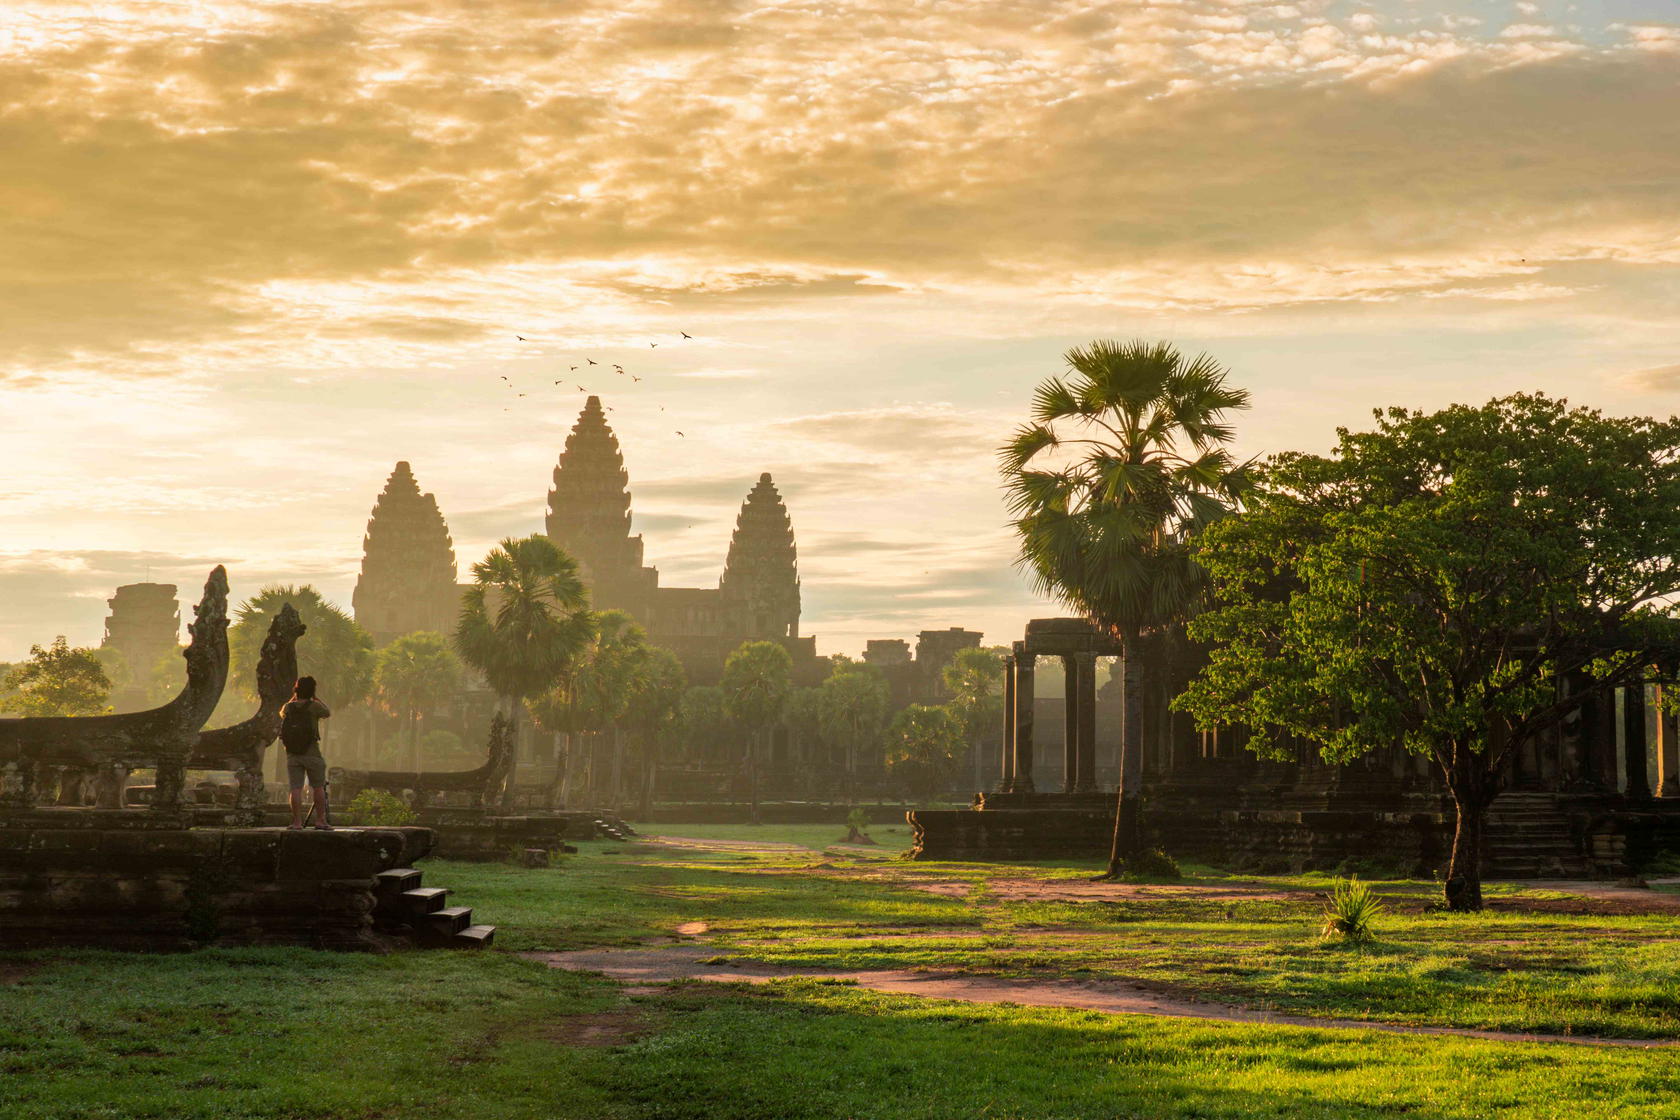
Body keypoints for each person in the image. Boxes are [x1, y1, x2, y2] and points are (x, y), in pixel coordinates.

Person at [279, 676, 332, 830]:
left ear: (296, 689)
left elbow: (282, 715)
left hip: (293, 754)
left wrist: (294, 699)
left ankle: (296, 822)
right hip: (312, 753)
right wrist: (314, 698)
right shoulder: (314, 706)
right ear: (312, 690)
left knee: (295, 788)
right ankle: (320, 821)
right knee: (318, 787)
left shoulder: (288, 707)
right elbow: (327, 712)